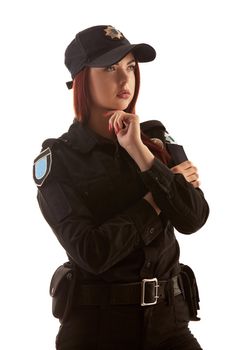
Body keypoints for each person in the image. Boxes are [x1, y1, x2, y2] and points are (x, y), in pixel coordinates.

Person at [33, 25, 209, 350]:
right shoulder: (59, 160)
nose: (124, 79)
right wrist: (158, 197)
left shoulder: (155, 137)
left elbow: (193, 218)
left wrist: (142, 154)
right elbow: (92, 252)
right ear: (83, 79)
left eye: (130, 66)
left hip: (170, 324)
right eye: (110, 68)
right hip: (98, 330)